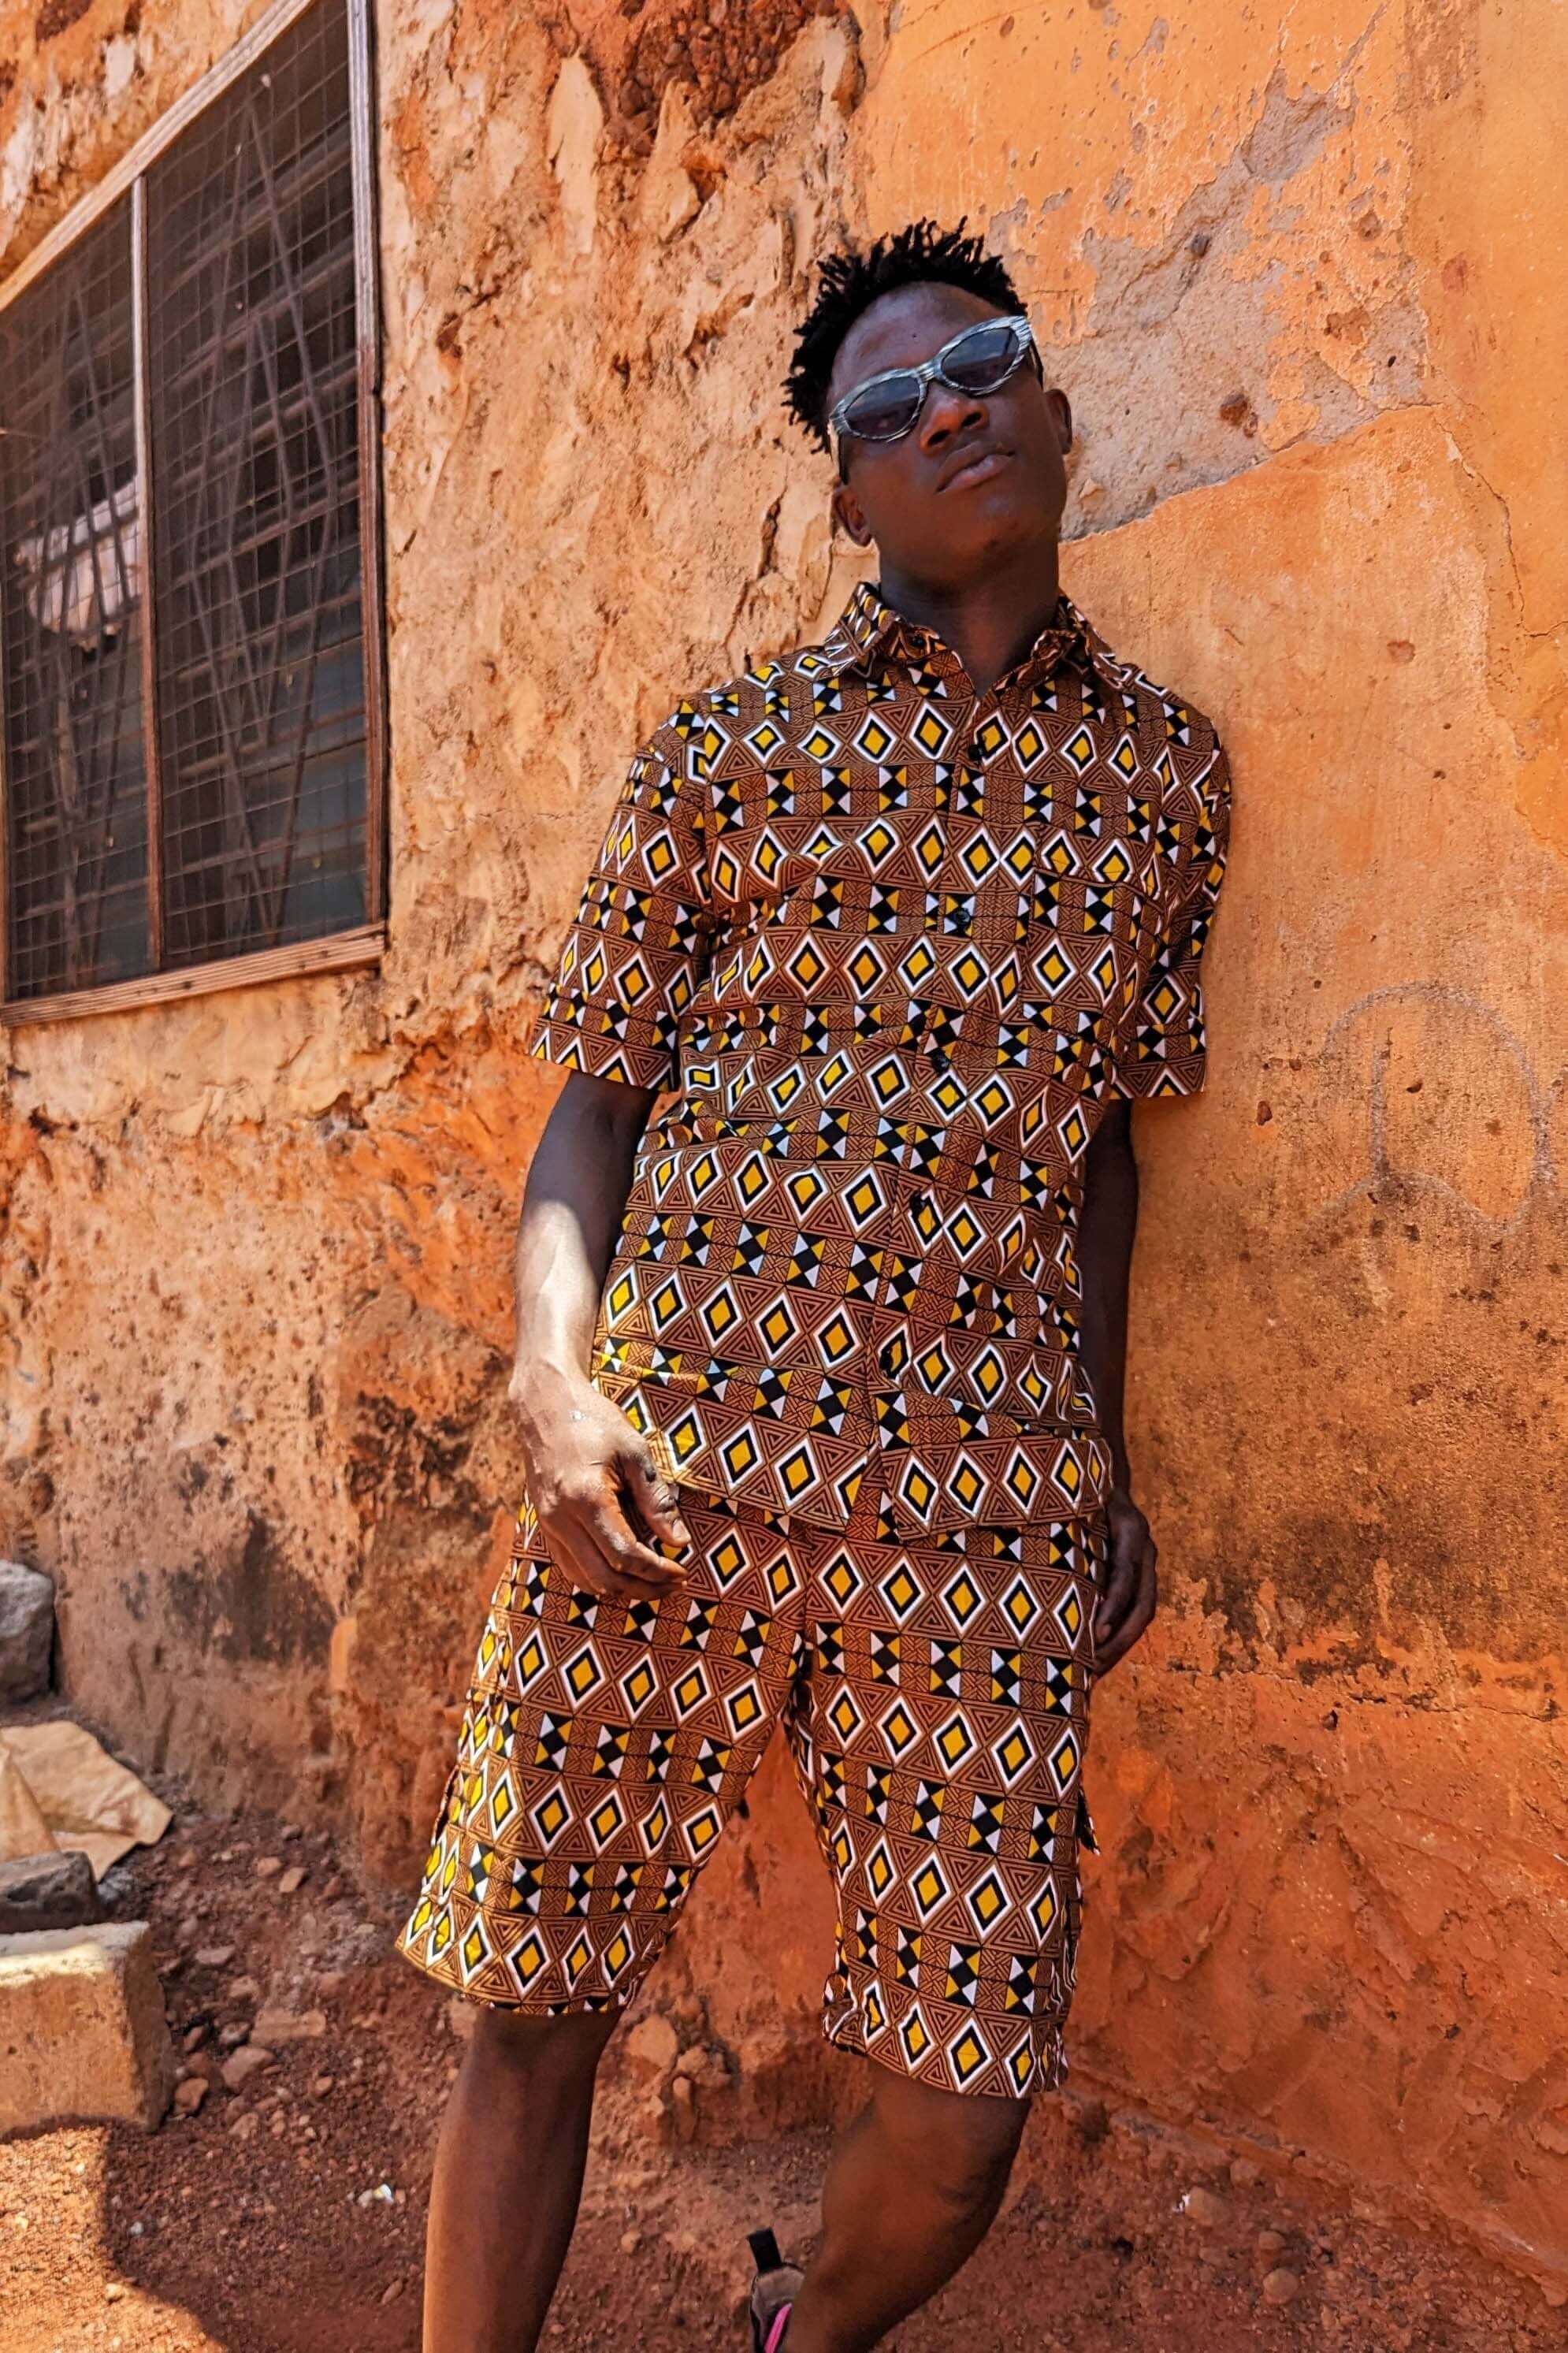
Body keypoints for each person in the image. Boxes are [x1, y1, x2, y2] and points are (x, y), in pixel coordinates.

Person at [396, 216, 1233, 2353]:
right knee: (538, 1999)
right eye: (888, 407)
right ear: (845, 491)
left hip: (982, 1511)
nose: (950, 408)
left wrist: (1102, 1456)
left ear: (1054, 409)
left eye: (989, 367)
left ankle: (794, 2334)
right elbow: (594, 1109)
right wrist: (557, 1375)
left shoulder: (1165, 780)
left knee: (969, 2097)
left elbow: (1106, 1158)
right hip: (666, 1471)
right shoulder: (726, 753)